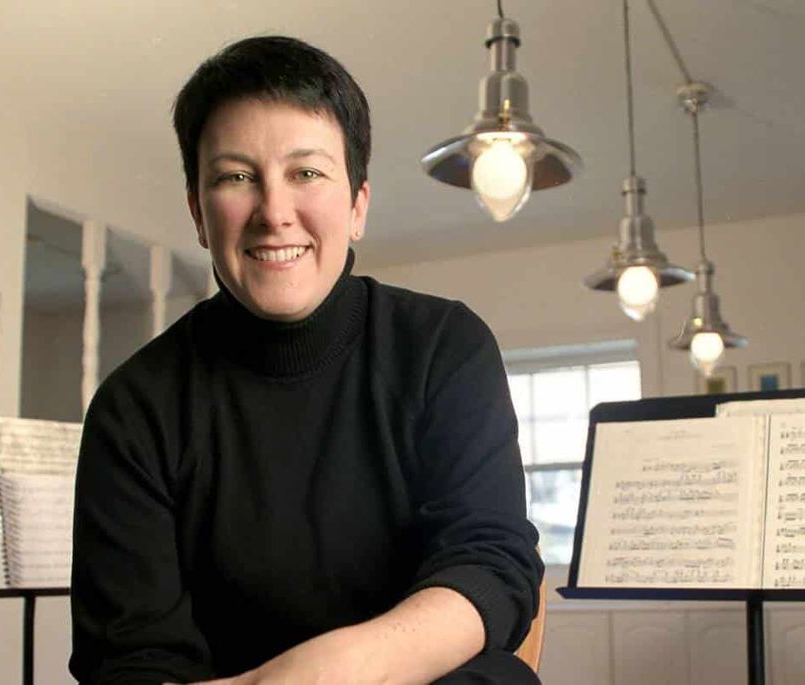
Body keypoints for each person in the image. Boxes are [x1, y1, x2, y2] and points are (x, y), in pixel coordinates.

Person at [69, 35, 543, 684]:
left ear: (357, 206)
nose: (274, 213)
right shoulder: (133, 410)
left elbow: (490, 561)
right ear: (199, 215)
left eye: (307, 173)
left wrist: (327, 672)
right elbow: (130, 662)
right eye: (236, 177)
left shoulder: (444, 346)